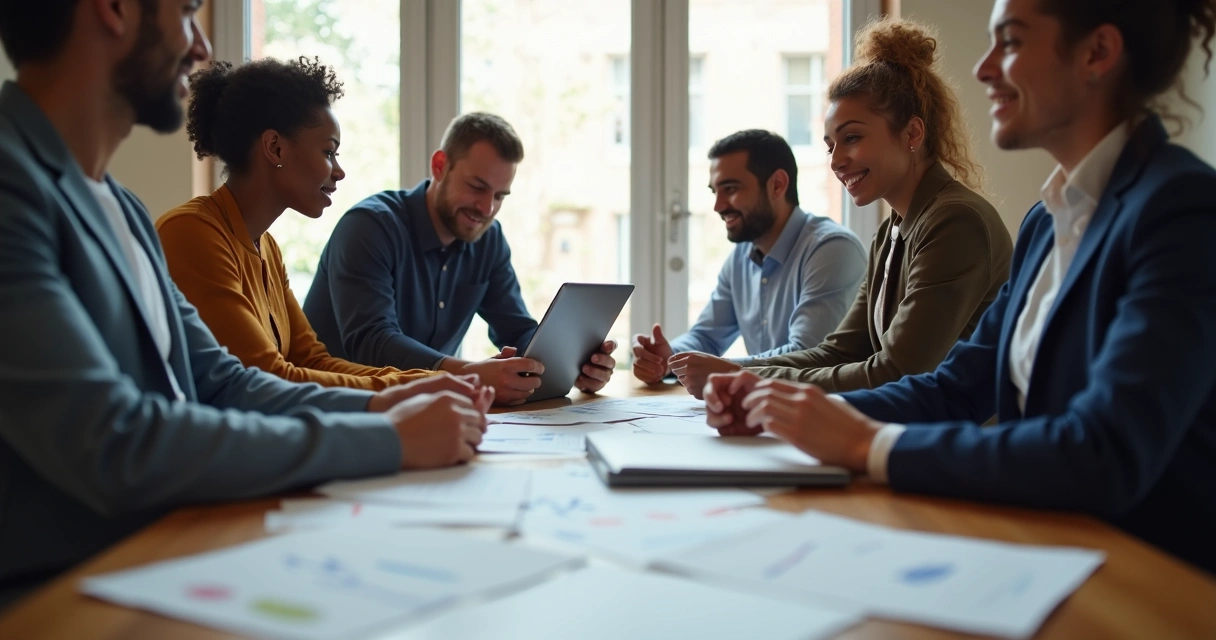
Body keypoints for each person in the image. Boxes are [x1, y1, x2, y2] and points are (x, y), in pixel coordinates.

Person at [704, 0, 1216, 575]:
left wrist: (867, 445)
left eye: (1012, 42)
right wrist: (787, 409)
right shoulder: (1047, 222)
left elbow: (1102, 452)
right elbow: (956, 388)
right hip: (1047, 545)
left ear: (1096, 53)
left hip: (1151, 577)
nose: (983, 67)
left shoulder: (1182, 211)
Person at [0, 0, 490, 599]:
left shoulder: (121, 208)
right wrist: (387, 439)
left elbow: (227, 383)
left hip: (158, 555)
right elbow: (113, 440)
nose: (201, 48)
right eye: (185, 13)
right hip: (59, 593)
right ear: (113, 10)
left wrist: (390, 403)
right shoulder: (12, 187)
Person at [669, 18, 1013, 397]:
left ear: (913, 133)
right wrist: (732, 369)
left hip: (952, 445)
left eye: (852, 137)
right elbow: (840, 351)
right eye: (830, 145)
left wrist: (742, 379)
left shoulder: (955, 221)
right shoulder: (891, 232)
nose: (835, 161)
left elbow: (897, 371)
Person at [157, 57, 435, 390]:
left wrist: (444, 380)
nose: (338, 171)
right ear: (275, 148)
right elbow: (269, 378)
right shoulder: (192, 233)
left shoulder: (266, 247)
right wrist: (425, 386)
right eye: (328, 152)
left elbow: (311, 360)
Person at [303, 113, 618, 405]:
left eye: (499, 196)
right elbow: (372, 343)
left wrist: (573, 364)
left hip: (421, 409)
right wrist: (470, 374)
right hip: (338, 406)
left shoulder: (488, 239)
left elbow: (515, 329)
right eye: (476, 187)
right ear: (440, 166)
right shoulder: (369, 227)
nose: (486, 209)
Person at [631, 130, 866, 393]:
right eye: (715, 192)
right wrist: (668, 359)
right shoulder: (741, 256)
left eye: (730, 189)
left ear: (777, 185)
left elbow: (808, 354)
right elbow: (706, 336)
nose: (718, 206)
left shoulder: (832, 249)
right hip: (767, 409)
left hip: (826, 416)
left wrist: (722, 370)